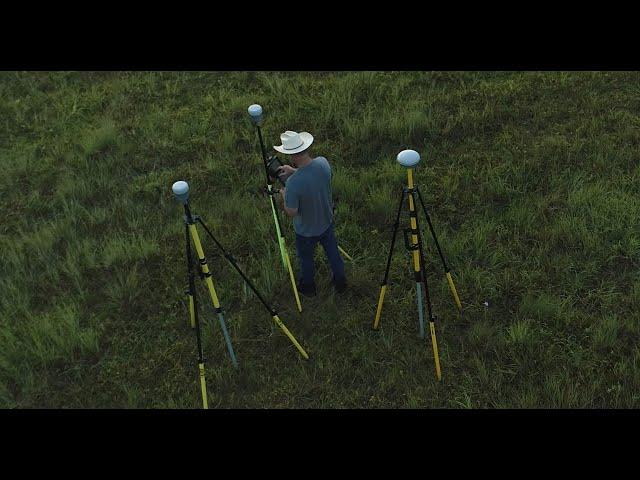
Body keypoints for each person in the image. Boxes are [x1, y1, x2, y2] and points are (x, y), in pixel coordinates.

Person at [273, 130, 346, 296]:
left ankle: (308, 287)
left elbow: (291, 212)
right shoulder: (323, 163)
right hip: (326, 221)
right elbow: (314, 177)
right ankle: (340, 282)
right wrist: (294, 171)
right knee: (333, 252)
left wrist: (284, 196)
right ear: (304, 147)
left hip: (305, 231)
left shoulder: (292, 184)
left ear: (292, 155)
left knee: (306, 259)